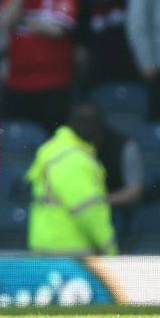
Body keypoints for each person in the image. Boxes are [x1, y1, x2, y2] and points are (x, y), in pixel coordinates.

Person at [0, 0, 78, 129]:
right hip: (18, 82)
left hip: (54, 82)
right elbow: (5, 21)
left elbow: (57, 30)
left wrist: (25, 19)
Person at [27, 104, 118, 255]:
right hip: (71, 255)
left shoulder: (52, 149)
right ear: (98, 131)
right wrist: (110, 250)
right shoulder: (74, 159)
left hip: (46, 250)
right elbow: (88, 211)